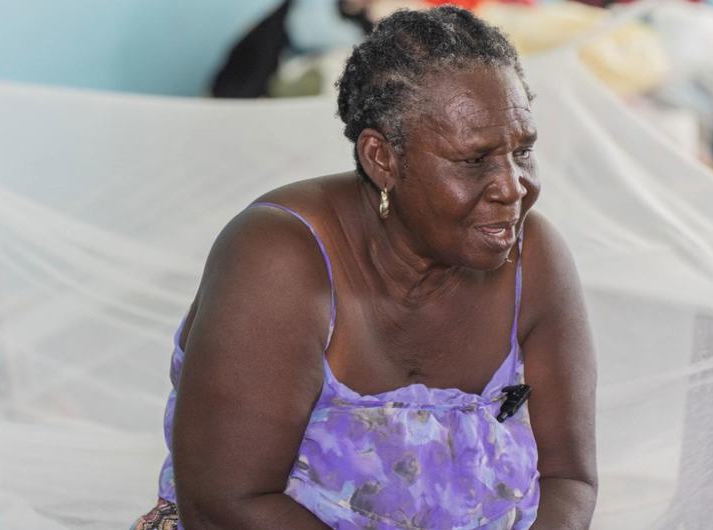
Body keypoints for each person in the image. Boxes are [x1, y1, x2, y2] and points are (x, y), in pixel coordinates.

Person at [135, 6, 597, 529]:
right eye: (474, 160)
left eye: (524, 150)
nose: (513, 186)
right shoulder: (280, 258)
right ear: (382, 159)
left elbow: (569, 478)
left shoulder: (532, 258)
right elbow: (225, 503)